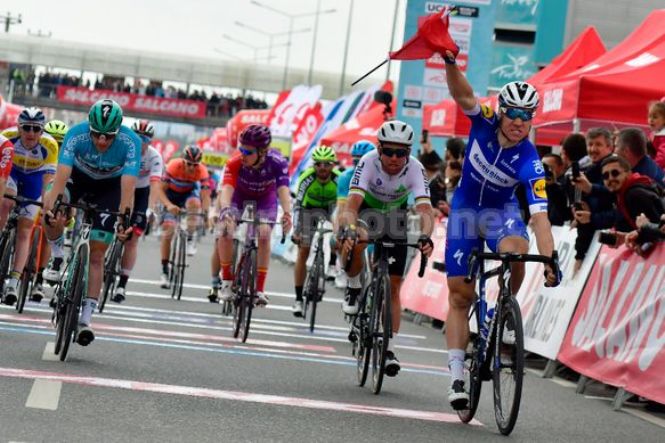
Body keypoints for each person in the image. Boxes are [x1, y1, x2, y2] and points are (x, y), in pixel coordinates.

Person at [442, 48, 561, 410]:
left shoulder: (530, 160)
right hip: (465, 209)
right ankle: (457, 376)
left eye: (527, 116)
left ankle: (502, 308)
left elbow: (540, 216)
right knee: (460, 295)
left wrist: (551, 258)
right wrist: (450, 62)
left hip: (499, 211)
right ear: (502, 111)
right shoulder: (484, 121)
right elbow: (462, 93)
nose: (519, 121)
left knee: (517, 250)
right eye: (514, 113)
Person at [337, 120, 435, 378]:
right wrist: (349, 228)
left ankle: (389, 348)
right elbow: (351, 205)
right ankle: (355, 286)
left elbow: (425, 209)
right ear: (379, 149)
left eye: (401, 153)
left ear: (409, 152)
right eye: (389, 151)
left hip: (394, 217)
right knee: (357, 239)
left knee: (393, 287)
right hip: (367, 211)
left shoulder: (415, 168)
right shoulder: (367, 162)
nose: (394, 158)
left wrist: (425, 235)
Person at [42, 99, 138, 346]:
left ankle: (85, 319)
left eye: (109, 136)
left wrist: (123, 218)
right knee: (55, 209)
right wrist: (53, 204)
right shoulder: (76, 134)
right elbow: (62, 174)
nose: (102, 141)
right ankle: (57, 253)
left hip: (109, 188)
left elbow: (128, 186)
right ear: (89, 127)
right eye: (97, 134)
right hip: (78, 178)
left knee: (97, 254)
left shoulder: (131, 142)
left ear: (119, 130)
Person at [216, 124, 292, 305]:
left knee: (264, 234)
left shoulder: (277, 162)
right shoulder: (234, 162)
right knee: (226, 230)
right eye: (241, 148)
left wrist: (287, 213)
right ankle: (226, 281)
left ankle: (259, 289)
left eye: (248, 151)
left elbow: (283, 190)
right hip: (238, 197)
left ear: (263, 152)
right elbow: (226, 190)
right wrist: (226, 209)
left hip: (265, 199)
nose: (243, 154)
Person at [0, 108, 58, 305]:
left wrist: (46, 205)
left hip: (35, 178)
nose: (31, 133)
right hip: (13, 173)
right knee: (6, 202)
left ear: (42, 131)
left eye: (36, 129)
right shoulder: (6, 137)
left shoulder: (49, 146)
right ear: (18, 127)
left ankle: (14, 282)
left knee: (26, 230)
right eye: (26, 128)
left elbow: (48, 181)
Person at [112, 120, 165, 303]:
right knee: (111, 224)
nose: (141, 142)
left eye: (145, 139)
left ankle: (122, 285)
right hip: (121, 186)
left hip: (142, 191)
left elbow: (155, 185)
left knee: (132, 239)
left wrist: (150, 209)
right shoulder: (122, 150)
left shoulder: (154, 157)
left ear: (150, 141)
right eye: (137, 138)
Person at [291, 145, 340, 317]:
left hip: (330, 209)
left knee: (340, 227)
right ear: (314, 165)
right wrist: (296, 230)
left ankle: (332, 264)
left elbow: (346, 207)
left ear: (333, 165)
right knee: (303, 250)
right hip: (308, 210)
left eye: (327, 164)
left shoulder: (339, 179)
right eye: (318, 164)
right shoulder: (307, 178)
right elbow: (297, 206)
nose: (322, 168)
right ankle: (298, 300)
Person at [159, 145, 211, 288]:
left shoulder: (202, 171)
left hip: (189, 194)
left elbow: (205, 196)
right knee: (168, 230)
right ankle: (164, 271)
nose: (192, 168)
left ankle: (189, 238)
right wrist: (168, 205)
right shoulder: (173, 166)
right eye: (189, 164)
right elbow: (159, 190)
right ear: (183, 161)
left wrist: (206, 214)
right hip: (171, 196)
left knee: (195, 203)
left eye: (195, 165)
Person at [334, 140, 376, 289]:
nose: (360, 164)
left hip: (373, 212)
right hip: (353, 210)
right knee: (343, 239)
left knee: (374, 250)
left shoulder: (378, 176)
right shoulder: (346, 177)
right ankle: (344, 268)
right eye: (356, 160)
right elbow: (342, 207)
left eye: (363, 160)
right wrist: (340, 230)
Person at [600, 155, 664, 246]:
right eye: (606, 176)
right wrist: (626, 237)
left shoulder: (634, 195)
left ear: (628, 173)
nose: (610, 178)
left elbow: (659, 232)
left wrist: (639, 237)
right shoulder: (623, 194)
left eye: (615, 173)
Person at [648, 100, 665, 169]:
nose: (651, 120)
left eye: (655, 117)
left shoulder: (663, 137)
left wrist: (652, 168)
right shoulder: (654, 133)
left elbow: (662, 156)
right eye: (649, 116)